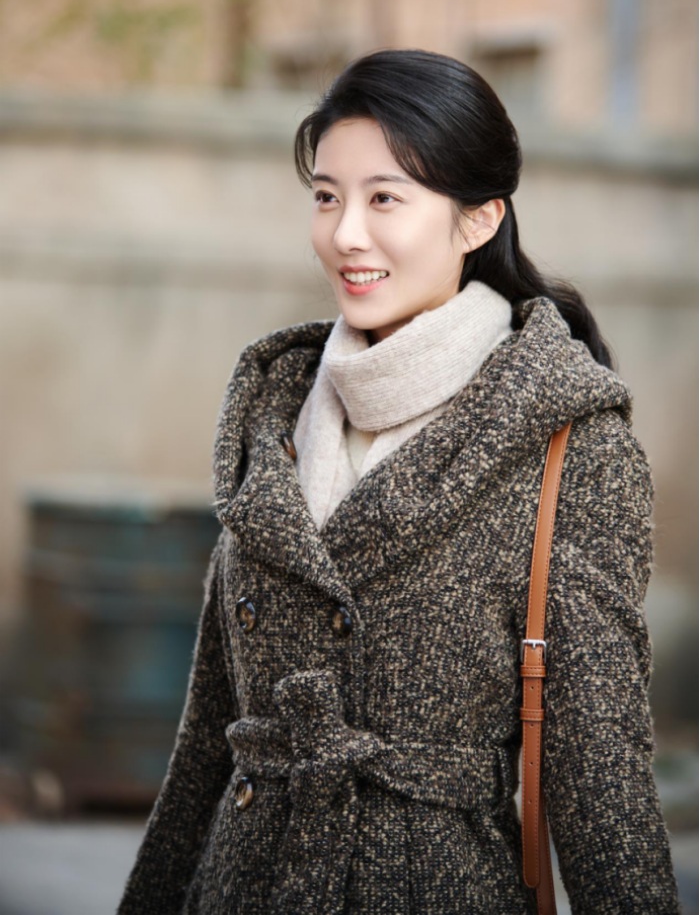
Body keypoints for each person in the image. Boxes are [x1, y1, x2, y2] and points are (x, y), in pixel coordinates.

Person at [118, 49, 680, 914]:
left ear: (479, 218)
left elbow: (601, 780)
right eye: (327, 196)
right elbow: (206, 745)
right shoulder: (277, 413)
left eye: (384, 198)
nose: (346, 233)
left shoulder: (572, 445)